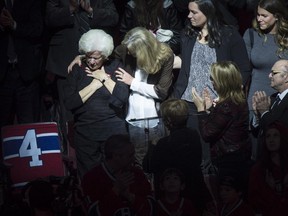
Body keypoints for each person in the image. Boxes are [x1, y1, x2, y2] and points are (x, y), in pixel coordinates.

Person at [45, 0, 119, 154]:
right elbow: (49, 19)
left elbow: (113, 17)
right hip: (64, 61)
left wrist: (91, 10)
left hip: (98, 61)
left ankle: (103, 157)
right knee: (69, 113)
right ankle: (72, 157)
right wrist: (71, 8)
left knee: (96, 107)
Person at [171, 0, 251, 129]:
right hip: (187, 102)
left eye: (194, 12)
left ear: (208, 13)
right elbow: (187, 64)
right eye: (189, 11)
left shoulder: (228, 35)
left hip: (217, 103)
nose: (189, 16)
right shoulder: (187, 34)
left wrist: (228, 96)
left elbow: (244, 69)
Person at [62, 29, 129, 178]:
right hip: (86, 133)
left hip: (113, 133)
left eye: (96, 58)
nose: (92, 61)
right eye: (88, 57)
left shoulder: (115, 66)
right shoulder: (78, 69)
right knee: (90, 179)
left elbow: (123, 98)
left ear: (105, 56)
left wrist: (104, 79)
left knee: (118, 176)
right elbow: (69, 103)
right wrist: (93, 86)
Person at [114, 27, 174, 167]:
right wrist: (80, 57)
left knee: (158, 159)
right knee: (137, 159)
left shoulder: (165, 55)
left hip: (155, 117)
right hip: (132, 117)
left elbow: (161, 92)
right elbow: (104, 57)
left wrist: (132, 82)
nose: (128, 53)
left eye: (132, 52)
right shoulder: (124, 50)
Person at [192, 61, 252, 197]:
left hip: (228, 162)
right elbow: (223, 125)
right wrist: (211, 109)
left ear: (222, 81)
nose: (211, 82)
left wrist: (201, 110)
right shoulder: (238, 99)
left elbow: (207, 134)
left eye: (213, 79)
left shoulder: (226, 106)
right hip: (238, 158)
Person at [143, 98, 213, 214]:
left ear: (168, 120)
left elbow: (149, 166)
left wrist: (152, 147)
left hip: (173, 197)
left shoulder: (164, 143)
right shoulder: (193, 135)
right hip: (195, 191)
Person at [81, 134, 152, 216]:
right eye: (130, 156)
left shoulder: (138, 174)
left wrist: (130, 196)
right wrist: (116, 191)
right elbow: (93, 213)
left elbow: (151, 209)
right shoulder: (92, 178)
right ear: (116, 156)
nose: (133, 159)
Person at [0, 0, 43, 131]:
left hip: (25, 75)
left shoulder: (30, 2)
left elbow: (38, 29)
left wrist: (14, 25)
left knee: (29, 126)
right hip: (2, 76)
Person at [243, 0, 288, 121]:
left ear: (277, 16)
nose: (259, 19)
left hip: (283, 100)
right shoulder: (251, 35)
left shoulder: (286, 38)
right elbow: (244, 70)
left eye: (264, 16)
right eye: (258, 14)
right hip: (256, 97)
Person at [248, 122, 288, 216]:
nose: (271, 140)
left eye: (275, 135)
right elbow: (255, 202)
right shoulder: (259, 170)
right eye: (268, 136)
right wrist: (271, 189)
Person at [252, 59, 288, 134]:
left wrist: (264, 111)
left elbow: (277, 131)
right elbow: (257, 133)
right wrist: (257, 115)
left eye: (273, 73)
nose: (269, 76)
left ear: (286, 77)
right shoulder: (273, 98)